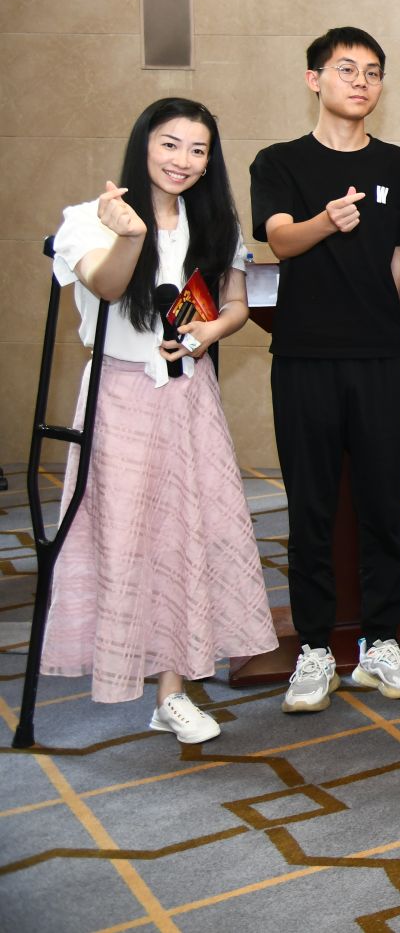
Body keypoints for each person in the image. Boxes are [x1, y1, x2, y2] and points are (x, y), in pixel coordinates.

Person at [44, 99, 274, 741]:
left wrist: (209, 334)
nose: (183, 160)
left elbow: (234, 303)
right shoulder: (92, 218)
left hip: (189, 395)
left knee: (188, 534)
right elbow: (108, 287)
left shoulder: (214, 221)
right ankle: (122, 665)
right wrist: (130, 237)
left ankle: (172, 692)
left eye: (198, 150)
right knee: (123, 533)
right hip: (120, 394)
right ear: (144, 144)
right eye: (170, 144)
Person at [250, 27, 400, 713]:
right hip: (304, 358)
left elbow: (395, 263)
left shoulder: (399, 166)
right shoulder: (280, 162)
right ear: (314, 78)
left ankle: (381, 641)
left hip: (380, 359)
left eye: (373, 71)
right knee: (311, 508)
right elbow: (279, 238)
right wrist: (326, 221)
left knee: (383, 505)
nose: (361, 81)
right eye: (347, 69)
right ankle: (315, 649)